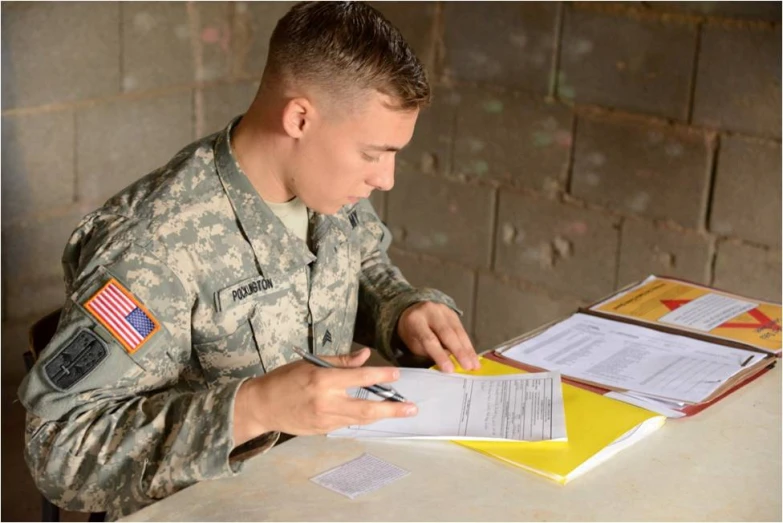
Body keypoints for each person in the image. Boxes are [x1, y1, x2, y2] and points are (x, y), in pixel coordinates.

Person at [18, 1, 479, 519]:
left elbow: (362, 261)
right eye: (373, 154)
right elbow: (62, 451)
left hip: (323, 484)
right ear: (300, 117)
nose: (386, 179)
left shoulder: (327, 185)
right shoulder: (154, 245)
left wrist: (403, 308)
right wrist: (254, 407)